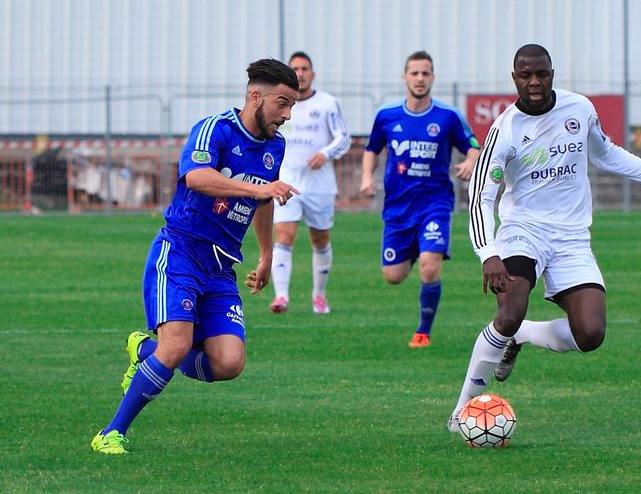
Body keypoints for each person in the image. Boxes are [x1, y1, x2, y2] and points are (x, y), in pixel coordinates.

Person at [447, 43, 641, 430]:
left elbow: (607, 155)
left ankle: (521, 336)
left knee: (589, 334)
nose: (535, 82)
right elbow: (481, 197)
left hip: (571, 238)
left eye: (542, 74)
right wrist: (489, 253)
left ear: (552, 73)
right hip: (524, 232)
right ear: (515, 78)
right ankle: (463, 408)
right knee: (508, 310)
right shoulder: (504, 131)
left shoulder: (580, 109)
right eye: (526, 75)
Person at [91, 59, 300, 454]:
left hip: (222, 267)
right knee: (175, 347)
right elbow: (196, 177)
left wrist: (267, 254)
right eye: (282, 103)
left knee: (229, 363)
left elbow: (267, 198)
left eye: (292, 107)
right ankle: (112, 432)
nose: (287, 115)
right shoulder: (215, 129)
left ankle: (144, 350)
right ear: (256, 96)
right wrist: (257, 190)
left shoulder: (276, 145)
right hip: (182, 251)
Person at [360, 50, 481, 348]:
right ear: (405, 77)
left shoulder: (448, 116)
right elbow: (372, 148)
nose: (420, 78)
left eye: (425, 73)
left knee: (429, 267)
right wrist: (366, 177)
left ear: (432, 78)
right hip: (398, 208)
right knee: (394, 275)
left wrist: (469, 162)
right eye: (414, 73)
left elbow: (474, 146)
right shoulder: (387, 115)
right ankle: (419, 247)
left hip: (434, 203)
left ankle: (423, 331)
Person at [269, 51, 351, 315]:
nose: (301, 73)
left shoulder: (327, 103)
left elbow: (344, 137)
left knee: (320, 238)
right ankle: (281, 296)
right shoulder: (279, 104)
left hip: (320, 185)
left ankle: (319, 296)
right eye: (296, 69)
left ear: (312, 74)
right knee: (284, 234)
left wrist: (325, 153)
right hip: (287, 182)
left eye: (305, 68)